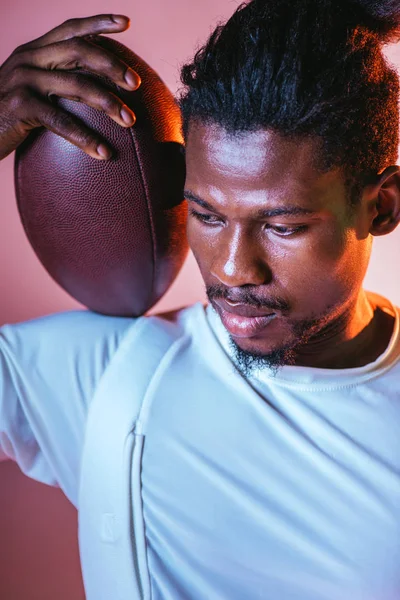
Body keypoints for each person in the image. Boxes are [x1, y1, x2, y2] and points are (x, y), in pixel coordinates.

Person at [1, 1, 400, 599]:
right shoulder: (107, 371)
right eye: (207, 215)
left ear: (383, 207)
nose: (233, 268)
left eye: (283, 226)